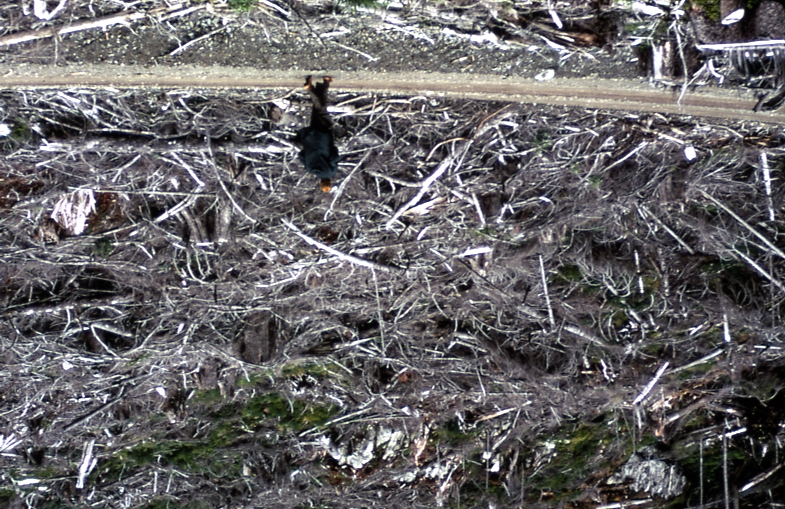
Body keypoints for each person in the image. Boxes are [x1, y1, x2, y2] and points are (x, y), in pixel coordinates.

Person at [296, 76, 340, 192]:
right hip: (310, 137)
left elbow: (335, 156)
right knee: (318, 111)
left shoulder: (331, 171)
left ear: (330, 181)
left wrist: (332, 148)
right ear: (320, 182)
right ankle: (325, 84)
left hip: (324, 138)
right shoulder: (310, 169)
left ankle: (310, 88)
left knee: (321, 111)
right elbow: (301, 155)